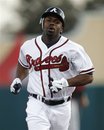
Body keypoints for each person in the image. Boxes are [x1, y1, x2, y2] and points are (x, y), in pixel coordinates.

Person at [10, 7, 95, 130]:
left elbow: (88, 76)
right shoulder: (28, 46)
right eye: (49, 20)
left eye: (56, 22)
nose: (52, 23)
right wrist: (18, 79)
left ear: (62, 28)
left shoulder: (74, 49)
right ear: (42, 23)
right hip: (36, 103)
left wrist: (65, 82)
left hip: (62, 105)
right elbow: (23, 66)